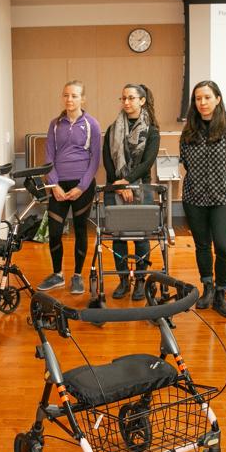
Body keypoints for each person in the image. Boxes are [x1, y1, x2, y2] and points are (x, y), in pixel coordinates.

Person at [179, 80, 226, 318]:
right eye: (198, 98)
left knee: (224, 247)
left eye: (207, 97)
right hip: (194, 197)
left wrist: (222, 181)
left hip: (224, 197)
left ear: (217, 99)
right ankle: (207, 287)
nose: (203, 103)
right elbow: (186, 163)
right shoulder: (188, 132)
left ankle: (221, 293)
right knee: (202, 245)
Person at [38, 80, 101, 295]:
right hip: (58, 185)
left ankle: (77, 276)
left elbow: (95, 160)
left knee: (80, 230)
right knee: (54, 232)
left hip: (82, 185)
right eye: (66, 95)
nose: (69, 99)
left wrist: (82, 187)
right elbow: (48, 156)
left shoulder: (92, 124)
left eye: (74, 95)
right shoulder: (55, 124)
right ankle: (57, 275)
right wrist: (54, 184)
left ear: (82, 99)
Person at [102, 83, 161, 300]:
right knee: (118, 237)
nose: (126, 102)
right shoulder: (111, 129)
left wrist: (128, 181)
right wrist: (120, 185)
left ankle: (140, 281)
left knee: (141, 238)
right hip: (115, 187)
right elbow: (107, 161)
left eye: (131, 98)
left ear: (142, 101)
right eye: (123, 98)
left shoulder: (152, 131)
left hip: (141, 188)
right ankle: (123, 279)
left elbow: (147, 163)